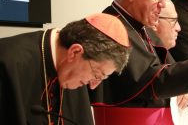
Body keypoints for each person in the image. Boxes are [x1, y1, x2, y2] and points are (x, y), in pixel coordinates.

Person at [0, 13, 131, 125]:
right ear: (74, 52)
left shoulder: (74, 70)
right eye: (96, 75)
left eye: (102, 78)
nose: (93, 86)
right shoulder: (6, 62)